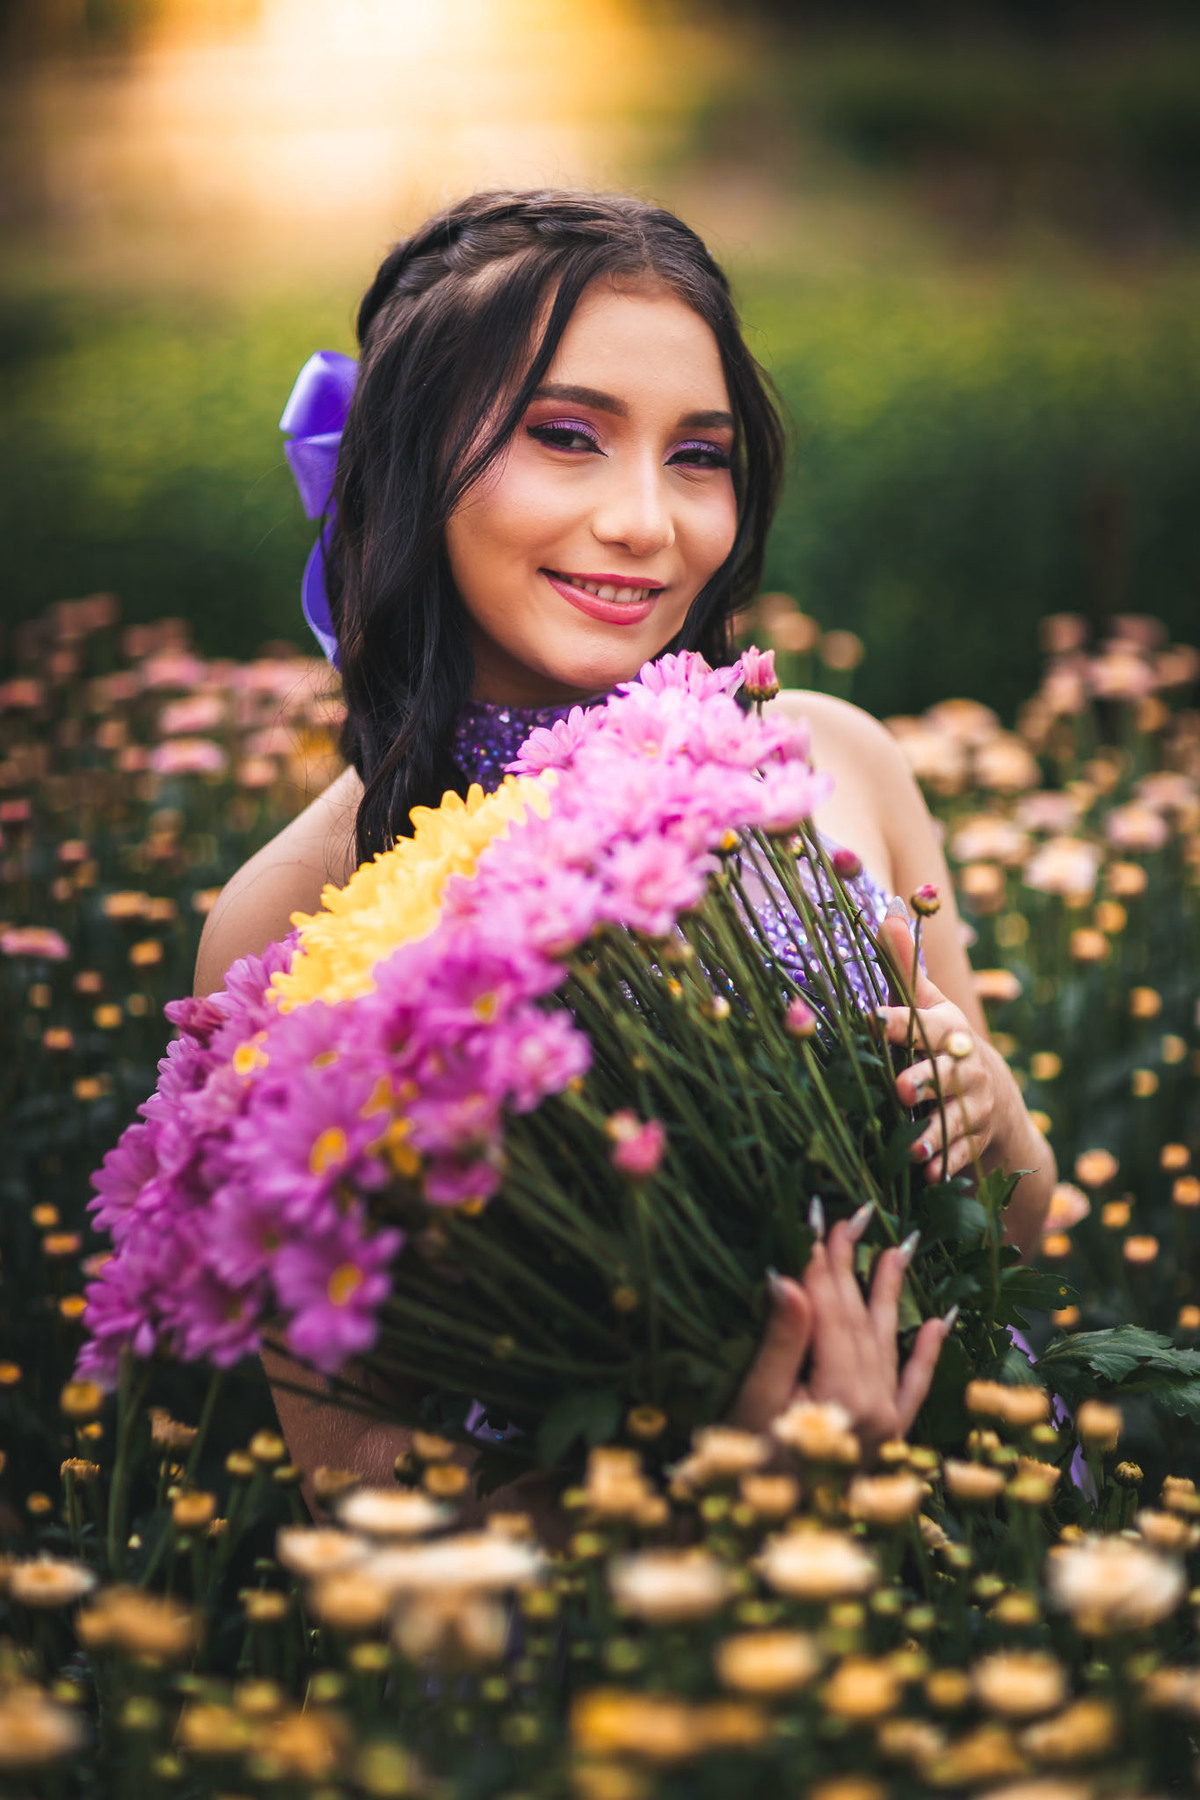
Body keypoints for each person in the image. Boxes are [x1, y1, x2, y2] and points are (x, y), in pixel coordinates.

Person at [194, 189, 1054, 1500]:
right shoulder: (299, 914)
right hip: (604, 1647)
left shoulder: (832, 759)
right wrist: (698, 1499)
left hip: (977, 1520)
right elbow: (355, 1485)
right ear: (410, 460)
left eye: (698, 455)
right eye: (567, 437)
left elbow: (1025, 1228)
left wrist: (982, 1112)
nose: (648, 520)